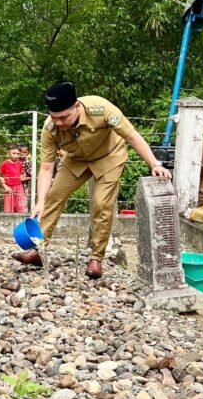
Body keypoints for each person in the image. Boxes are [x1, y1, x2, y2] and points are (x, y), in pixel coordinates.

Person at [15, 81, 171, 279]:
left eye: (64, 117)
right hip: (76, 159)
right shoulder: (50, 128)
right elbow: (46, 168)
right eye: (55, 118)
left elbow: (132, 136)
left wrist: (154, 163)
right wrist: (39, 201)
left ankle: (96, 258)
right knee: (53, 197)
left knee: (101, 203)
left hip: (109, 157)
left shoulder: (101, 109)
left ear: (77, 106)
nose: (60, 123)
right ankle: (37, 249)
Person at [0, 144, 27, 213]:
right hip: (9, 187)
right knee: (8, 209)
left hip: (19, 187)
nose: (16, 155)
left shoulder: (20, 163)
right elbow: (0, 175)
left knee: (21, 208)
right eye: (13, 153)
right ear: (8, 153)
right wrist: (5, 186)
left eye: (18, 154)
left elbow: (21, 174)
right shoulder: (5, 163)